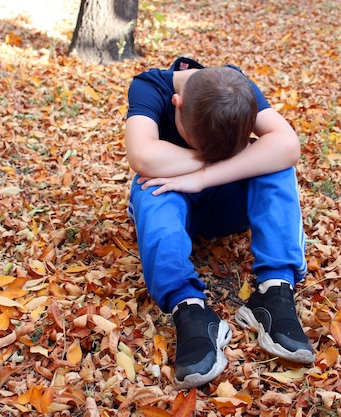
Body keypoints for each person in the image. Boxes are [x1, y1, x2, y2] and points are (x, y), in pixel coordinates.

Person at [125, 57, 315, 389]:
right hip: (179, 209)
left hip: (230, 203)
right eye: (196, 144)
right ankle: (190, 308)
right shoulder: (150, 86)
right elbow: (143, 155)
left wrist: (202, 176)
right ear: (177, 105)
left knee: (277, 165)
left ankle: (274, 292)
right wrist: (225, 156)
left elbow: (287, 144)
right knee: (149, 182)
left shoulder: (235, 87)